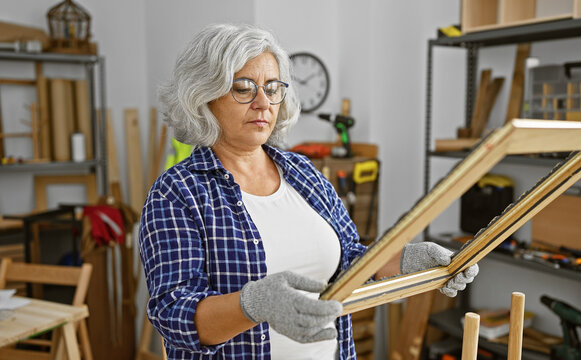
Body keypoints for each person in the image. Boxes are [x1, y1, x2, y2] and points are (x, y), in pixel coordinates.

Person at [139, 23, 479, 360]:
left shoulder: (303, 173)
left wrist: (408, 261)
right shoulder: (176, 194)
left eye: (272, 88)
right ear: (204, 95)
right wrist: (253, 304)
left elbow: (350, 261)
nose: (263, 103)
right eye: (244, 88)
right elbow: (173, 315)